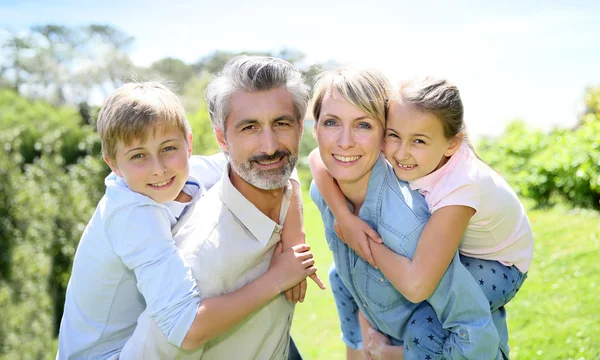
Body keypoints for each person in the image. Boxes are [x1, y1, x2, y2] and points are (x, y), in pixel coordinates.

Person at [57, 81, 318, 359]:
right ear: (113, 164)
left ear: (188, 144)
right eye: (139, 156)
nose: (158, 169)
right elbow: (186, 328)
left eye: (168, 148)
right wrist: (278, 278)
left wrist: (293, 242)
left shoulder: (193, 171)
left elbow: (275, 165)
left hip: (148, 335)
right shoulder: (131, 215)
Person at [119, 55, 325, 359]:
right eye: (250, 128)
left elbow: (286, 176)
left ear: (299, 129)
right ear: (221, 138)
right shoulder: (202, 262)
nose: (269, 146)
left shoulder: (278, 191)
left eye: (281, 124)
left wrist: (295, 233)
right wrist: (279, 277)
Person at [314, 76, 534, 359]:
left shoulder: (459, 188)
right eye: (394, 136)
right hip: (469, 247)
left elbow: (416, 285)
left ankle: (393, 353)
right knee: (341, 275)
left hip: (500, 265)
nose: (401, 152)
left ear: (452, 144)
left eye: (418, 140)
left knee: (428, 323)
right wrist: (345, 217)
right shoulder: (419, 157)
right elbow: (317, 159)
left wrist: (363, 244)